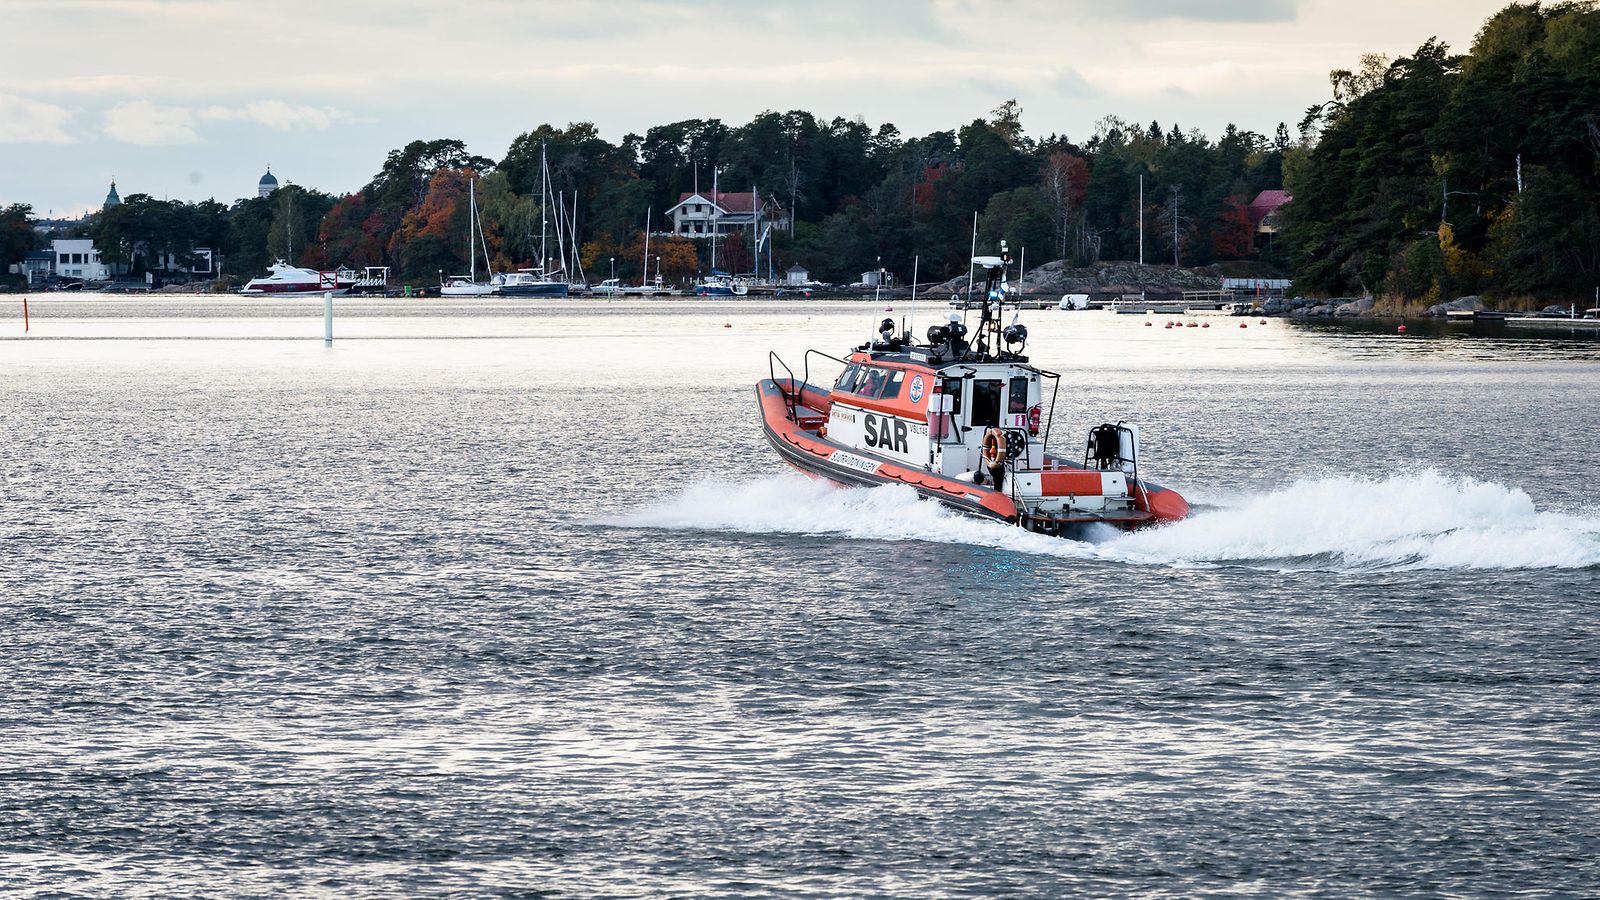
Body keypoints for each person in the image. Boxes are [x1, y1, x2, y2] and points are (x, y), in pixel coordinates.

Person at [981, 426, 1008, 492]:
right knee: (998, 477)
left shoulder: (990, 439)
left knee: (997, 477)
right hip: (995, 463)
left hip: (993, 463)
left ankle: (997, 491)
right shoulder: (1000, 439)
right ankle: (998, 491)